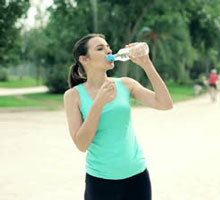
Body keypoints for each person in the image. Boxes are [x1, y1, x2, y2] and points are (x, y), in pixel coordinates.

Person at [63, 33, 173, 200]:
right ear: (84, 59)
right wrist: (98, 103)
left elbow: (165, 103)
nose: (108, 50)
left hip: (137, 177)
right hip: (100, 181)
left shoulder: (125, 84)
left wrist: (147, 64)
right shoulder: (73, 96)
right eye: (100, 48)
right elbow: (81, 144)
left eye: (108, 47)